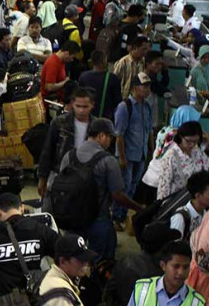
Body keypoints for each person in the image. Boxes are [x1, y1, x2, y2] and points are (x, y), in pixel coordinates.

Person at [59, 118, 144, 261]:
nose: (110, 141)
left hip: (72, 218)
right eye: (110, 136)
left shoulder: (69, 156)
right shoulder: (108, 161)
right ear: (101, 136)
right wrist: (138, 207)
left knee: (71, 260)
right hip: (98, 219)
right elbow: (117, 195)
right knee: (102, 263)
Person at [37, 88, 95, 199]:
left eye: (85, 107)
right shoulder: (59, 123)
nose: (81, 110)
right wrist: (42, 178)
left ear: (92, 105)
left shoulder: (96, 126)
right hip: (60, 174)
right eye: (78, 106)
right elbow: (47, 150)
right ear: (72, 104)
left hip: (85, 177)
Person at [113, 74, 155, 226]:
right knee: (124, 187)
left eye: (148, 86)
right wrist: (122, 157)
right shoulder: (125, 107)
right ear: (134, 88)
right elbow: (119, 135)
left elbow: (149, 130)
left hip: (141, 154)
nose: (147, 89)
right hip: (128, 155)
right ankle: (117, 217)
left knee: (133, 186)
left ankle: (122, 215)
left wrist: (152, 151)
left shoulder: (146, 107)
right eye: (144, 86)